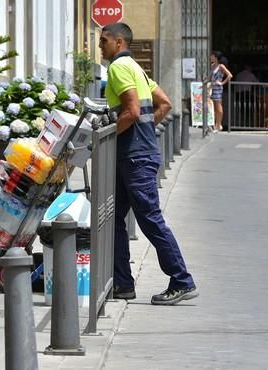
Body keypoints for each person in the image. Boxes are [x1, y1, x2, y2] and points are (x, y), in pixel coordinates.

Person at [99, 22, 198, 305]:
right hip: (135, 154)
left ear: (119, 42)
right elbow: (164, 103)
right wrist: (143, 130)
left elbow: (130, 111)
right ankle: (123, 284)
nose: (100, 46)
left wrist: (105, 137)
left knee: (149, 218)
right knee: (115, 217)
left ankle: (182, 280)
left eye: (104, 40)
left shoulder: (119, 68)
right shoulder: (136, 68)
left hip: (135, 157)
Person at [209, 51, 233, 132]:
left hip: (218, 88)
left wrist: (222, 82)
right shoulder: (212, 66)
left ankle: (218, 125)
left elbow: (229, 75)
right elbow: (209, 77)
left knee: (218, 106)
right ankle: (217, 124)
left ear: (216, 57)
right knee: (214, 107)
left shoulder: (221, 66)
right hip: (212, 87)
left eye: (212, 56)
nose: (210, 57)